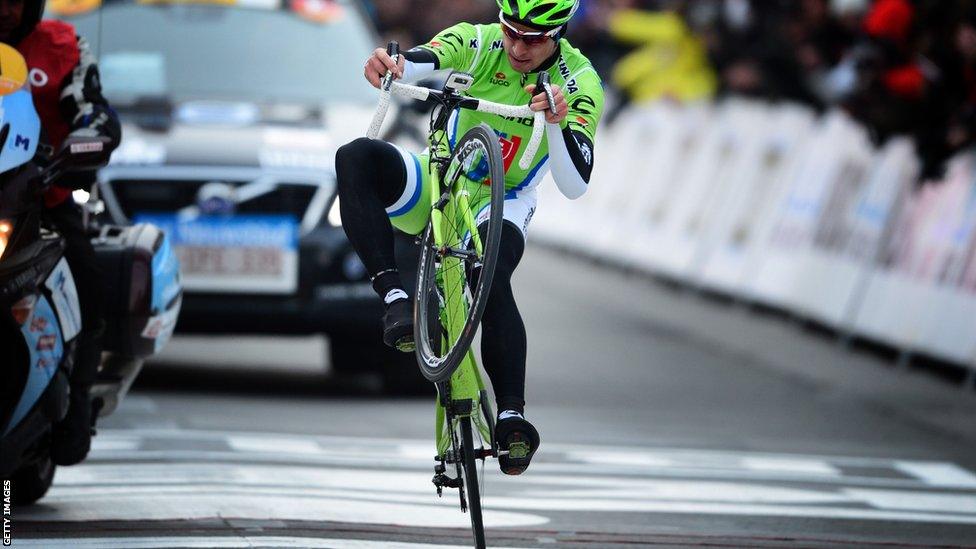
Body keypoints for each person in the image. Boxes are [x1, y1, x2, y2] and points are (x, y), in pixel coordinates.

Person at [335, 0, 603, 475]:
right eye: (511, 32)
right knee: (356, 156)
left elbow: (575, 185)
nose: (518, 47)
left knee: (491, 272)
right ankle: (397, 297)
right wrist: (392, 64)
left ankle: (512, 416)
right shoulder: (480, 41)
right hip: (442, 179)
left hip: (505, 198)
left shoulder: (578, 80)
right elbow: (426, 58)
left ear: (559, 32)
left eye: (533, 38)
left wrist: (558, 123)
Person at [1, 0, 121, 465]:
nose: (5, 10)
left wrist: (89, 135)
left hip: (39, 197)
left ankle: (75, 406)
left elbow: (94, 111)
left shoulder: (63, 45)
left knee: (89, 279)